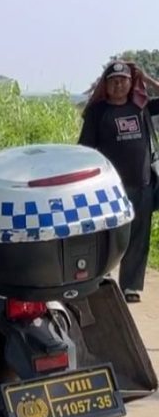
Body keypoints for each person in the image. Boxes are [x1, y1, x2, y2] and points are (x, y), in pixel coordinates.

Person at [78, 60, 159, 303]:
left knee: (138, 237)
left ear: (130, 82)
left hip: (141, 184)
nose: (118, 85)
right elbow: (85, 149)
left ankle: (131, 287)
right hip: (109, 189)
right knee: (107, 236)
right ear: (106, 84)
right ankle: (103, 279)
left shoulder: (140, 107)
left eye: (123, 80)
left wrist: (147, 79)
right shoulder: (97, 112)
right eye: (113, 81)